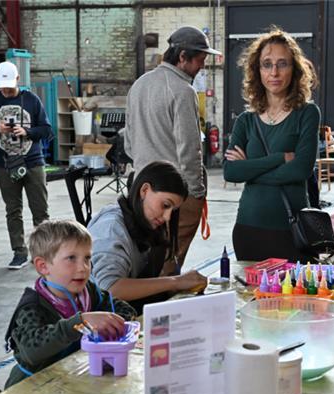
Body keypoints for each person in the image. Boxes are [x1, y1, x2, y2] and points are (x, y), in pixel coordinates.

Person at [124, 26, 220, 275]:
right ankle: (163, 296)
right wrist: (196, 192)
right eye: (200, 60)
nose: (202, 67)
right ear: (182, 57)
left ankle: (145, 295)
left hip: (141, 189)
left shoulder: (139, 85)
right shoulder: (182, 91)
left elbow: (128, 144)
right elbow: (189, 149)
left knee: (146, 257)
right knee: (169, 261)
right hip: (174, 193)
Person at [222, 28, 320, 262]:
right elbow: (231, 172)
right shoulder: (246, 120)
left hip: (292, 230)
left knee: (295, 288)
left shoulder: (307, 113)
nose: (274, 72)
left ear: (294, 69)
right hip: (249, 228)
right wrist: (279, 159)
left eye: (282, 64)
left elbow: (301, 170)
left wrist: (250, 169)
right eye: (267, 64)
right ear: (257, 70)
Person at [4, 220, 137, 389]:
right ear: (43, 266)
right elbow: (32, 351)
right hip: (30, 387)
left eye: (87, 258)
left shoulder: (89, 292)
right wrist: (80, 323)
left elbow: (123, 309)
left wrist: (112, 325)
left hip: (71, 378)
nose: (83, 268)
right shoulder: (32, 306)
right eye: (71, 258)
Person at [88, 161, 207, 312]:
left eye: (173, 210)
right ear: (144, 190)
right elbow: (109, 288)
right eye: (165, 205)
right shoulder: (111, 228)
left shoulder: (148, 222)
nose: (167, 217)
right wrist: (175, 282)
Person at [0, 61, 53, 270]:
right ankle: (19, 252)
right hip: (5, 164)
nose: (5, 91)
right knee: (13, 210)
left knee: (40, 210)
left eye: (9, 87)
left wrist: (27, 132)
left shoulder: (31, 100)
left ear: (18, 80)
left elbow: (47, 130)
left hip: (33, 162)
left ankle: (43, 252)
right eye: (2, 87)